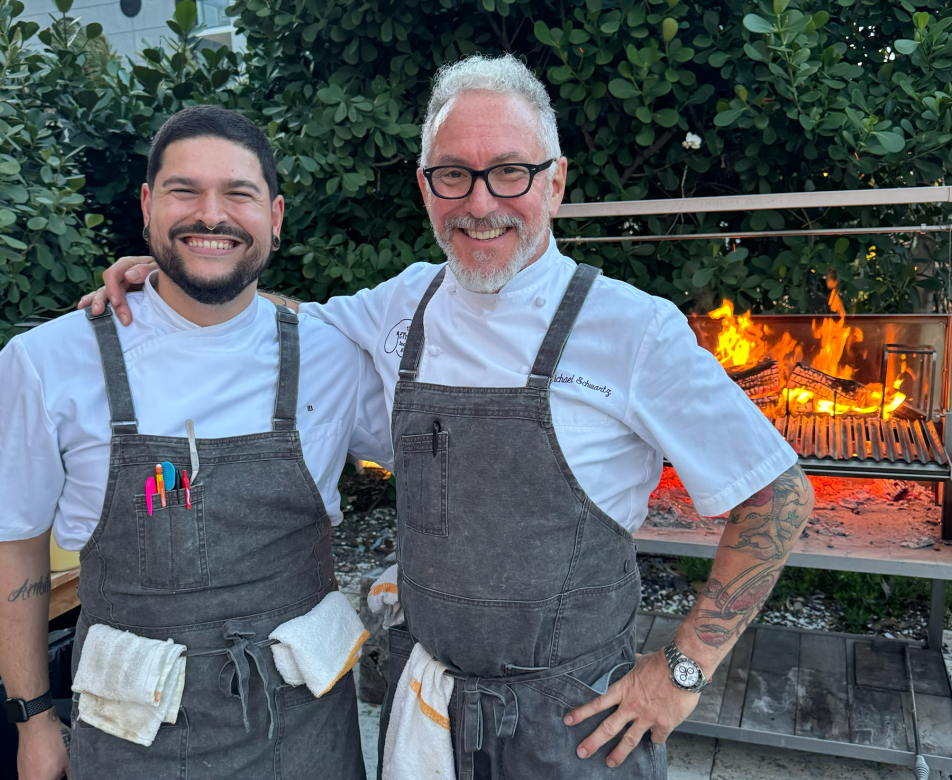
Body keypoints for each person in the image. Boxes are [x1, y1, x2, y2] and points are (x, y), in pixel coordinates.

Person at [84, 56, 814, 778]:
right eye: (452, 175)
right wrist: (183, 277)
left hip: (575, 724)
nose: (479, 202)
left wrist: (684, 669)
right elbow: (292, 322)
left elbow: (776, 493)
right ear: (425, 186)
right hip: (428, 702)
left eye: (509, 171)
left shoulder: (632, 329)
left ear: (554, 181)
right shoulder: (405, 303)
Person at [0, 105, 392, 780]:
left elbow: (445, 456)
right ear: (147, 205)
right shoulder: (46, 363)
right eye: (184, 190)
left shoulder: (332, 352)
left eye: (238, 194)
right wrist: (34, 721)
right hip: (133, 735)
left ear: (274, 217)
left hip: (308, 731)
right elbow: (11, 547)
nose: (210, 215)